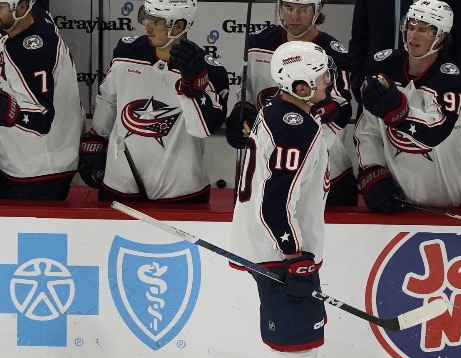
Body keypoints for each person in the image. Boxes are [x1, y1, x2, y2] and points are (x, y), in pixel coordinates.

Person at [230, 41, 338, 358]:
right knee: (290, 354)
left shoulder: (278, 110)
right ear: (301, 82)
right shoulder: (297, 128)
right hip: (280, 256)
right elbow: (276, 203)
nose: (329, 83)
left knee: (304, 348)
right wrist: (294, 254)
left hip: (282, 252)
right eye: (322, 77)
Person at [80, 0, 228, 203]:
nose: (148, 26)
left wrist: (194, 87)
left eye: (157, 21)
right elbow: (108, 99)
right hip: (121, 181)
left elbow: (203, 129)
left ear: (179, 26)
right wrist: (97, 137)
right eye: (147, 17)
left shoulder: (209, 70)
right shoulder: (126, 52)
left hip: (179, 188)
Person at [224, 0, 355, 206]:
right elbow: (248, 94)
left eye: (303, 10)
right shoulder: (258, 43)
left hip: (325, 175)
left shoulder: (333, 53)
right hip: (269, 172)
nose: (294, 16)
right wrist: (242, 116)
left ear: (317, 10)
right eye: (289, 8)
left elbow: (339, 108)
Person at [354, 0, 461, 213]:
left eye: (423, 30)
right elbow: (369, 130)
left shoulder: (451, 79)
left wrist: (399, 111)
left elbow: (435, 131)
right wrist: (373, 172)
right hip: (400, 196)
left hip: (450, 196)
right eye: (410, 27)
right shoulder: (384, 66)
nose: (413, 36)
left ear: (441, 36)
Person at [0, 0, 82, 200]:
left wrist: (6, 109)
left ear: (21, 7)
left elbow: (41, 119)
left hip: (38, 170)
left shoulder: (32, 53)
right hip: (20, 157)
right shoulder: (34, 13)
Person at [349, 0, 461, 98]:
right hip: (378, 86)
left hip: (435, 89)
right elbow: (359, 39)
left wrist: (455, 85)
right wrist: (359, 84)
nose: (413, 35)